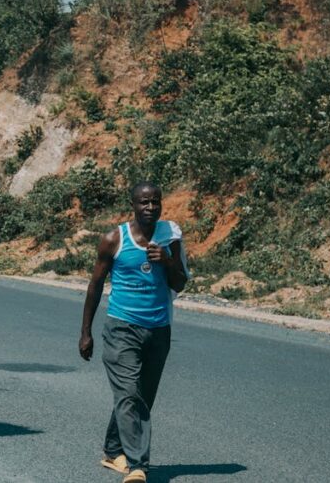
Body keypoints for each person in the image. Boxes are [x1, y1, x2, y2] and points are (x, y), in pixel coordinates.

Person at [78, 181, 188, 483]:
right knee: (129, 395)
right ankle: (139, 466)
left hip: (158, 329)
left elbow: (180, 283)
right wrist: (85, 332)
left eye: (155, 202)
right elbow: (95, 285)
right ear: (133, 205)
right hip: (121, 328)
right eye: (144, 202)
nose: (150, 208)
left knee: (141, 398)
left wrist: (166, 262)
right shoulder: (114, 239)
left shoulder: (170, 238)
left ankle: (113, 451)